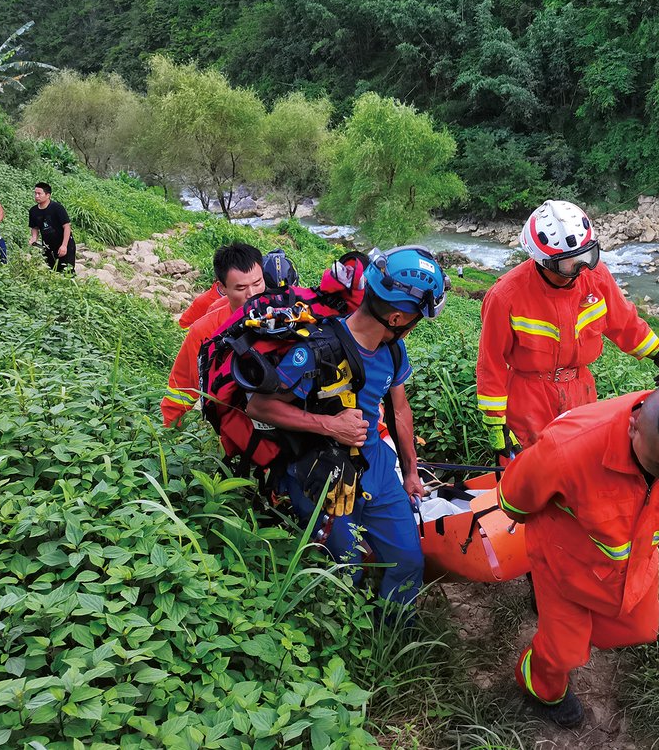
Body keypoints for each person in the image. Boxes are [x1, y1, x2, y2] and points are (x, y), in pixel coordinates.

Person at [497, 385, 659, 727]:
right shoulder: (567, 449)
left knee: (640, 628)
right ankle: (539, 686)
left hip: (628, 566)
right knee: (563, 653)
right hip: (563, 563)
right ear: (633, 427)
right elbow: (512, 499)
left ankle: (574, 630)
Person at [245, 246, 448, 607]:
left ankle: (395, 634)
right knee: (345, 572)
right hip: (324, 473)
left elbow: (400, 412)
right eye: (418, 317)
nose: (415, 326)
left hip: (378, 469)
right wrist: (329, 425)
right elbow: (260, 406)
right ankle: (349, 641)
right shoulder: (317, 351)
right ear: (399, 318)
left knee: (408, 559)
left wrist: (412, 473)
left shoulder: (393, 351)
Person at [475, 200, 659, 457]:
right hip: (529, 398)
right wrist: (496, 422)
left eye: (585, 257)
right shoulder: (506, 296)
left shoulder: (596, 278)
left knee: (581, 460)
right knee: (528, 469)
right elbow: (491, 362)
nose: (579, 269)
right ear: (544, 262)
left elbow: (625, 323)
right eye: (568, 264)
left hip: (581, 390)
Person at [162, 242, 267, 427]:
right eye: (241, 288)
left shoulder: (287, 309)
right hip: (239, 423)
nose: (252, 294)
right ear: (222, 288)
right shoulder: (206, 330)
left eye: (257, 283)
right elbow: (182, 386)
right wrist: (169, 430)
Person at [28, 182, 76, 273]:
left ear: (48, 195)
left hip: (64, 243)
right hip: (48, 246)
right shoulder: (33, 211)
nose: (36, 196)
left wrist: (64, 246)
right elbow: (34, 227)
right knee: (52, 271)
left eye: (39, 193)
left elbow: (67, 227)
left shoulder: (57, 208)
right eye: (35, 193)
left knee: (67, 271)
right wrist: (34, 237)